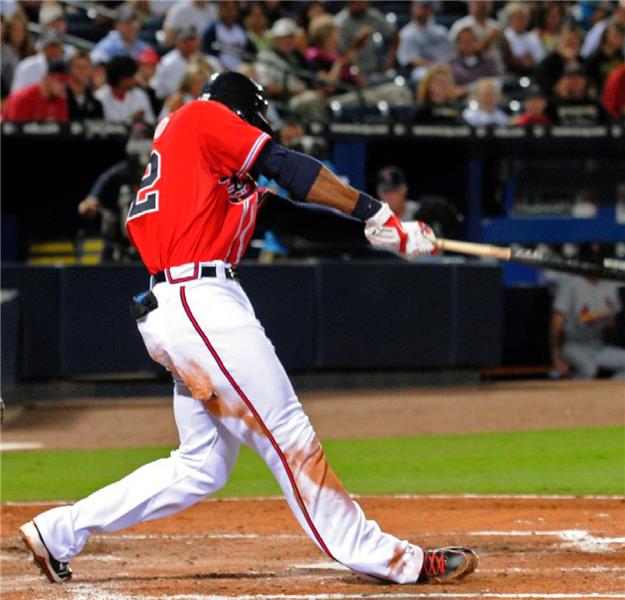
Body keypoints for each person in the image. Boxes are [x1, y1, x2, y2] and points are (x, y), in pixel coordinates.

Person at [19, 70, 477, 587]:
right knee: (288, 432)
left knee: (201, 464)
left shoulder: (204, 174)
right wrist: (376, 210)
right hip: (198, 299)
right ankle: (395, 562)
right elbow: (284, 167)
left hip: (181, 307)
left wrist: (390, 234)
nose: (260, 134)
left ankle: (57, 531)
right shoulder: (199, 117)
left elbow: (298, 218)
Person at [77, 122, 153, 261]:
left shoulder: (160, 166)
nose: (142, 141)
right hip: (127, 228)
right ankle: (124, 246)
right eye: (138, 137)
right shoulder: (126, 168)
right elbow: (105, 179)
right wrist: (92, 198)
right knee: (125, 196)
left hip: (155, 226)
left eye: (144, 137)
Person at [551, 263, 625, 379]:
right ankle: (569, 395)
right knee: (589, 369)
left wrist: (607, 324)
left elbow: (612, 327)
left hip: (598, 346)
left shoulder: (609, 285)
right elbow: (557, 322)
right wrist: (556, 355)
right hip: (573, 345)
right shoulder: (572, 284)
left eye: (598, 261)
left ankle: (607, 392)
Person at [334, 0, 399, 78]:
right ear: (350, 3)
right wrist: (358, 42)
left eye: (364, 2)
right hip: (350, 73)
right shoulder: (339, 22)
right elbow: (340, 56)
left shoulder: (372, 15)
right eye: (358, 3)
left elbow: (394, 35)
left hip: (373, 69)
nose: (362, 5)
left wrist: (390, 63)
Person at [397, 0, 452, 84]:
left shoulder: (441, 31)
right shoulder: (407, 33)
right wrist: (434, 65)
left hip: (444, 67)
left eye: (427, 7)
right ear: (413, 7)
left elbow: (451, 53)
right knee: (422, 75)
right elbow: (411, 61)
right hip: (422, 69)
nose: (424, 11)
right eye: (421, 7)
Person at [2, 58, 68, 122]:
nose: (64, 86)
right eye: (60, 80)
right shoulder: (22, 98)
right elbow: (13, 130)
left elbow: (62, 129)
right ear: (47, 78)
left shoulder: (61, 100)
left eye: (66, 81)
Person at [95, 55, 155, 124]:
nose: (134, 80)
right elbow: (103, 128)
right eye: (131, 77)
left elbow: (151, 122)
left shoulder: (140, 95)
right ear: (121, 79)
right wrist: (131, 120)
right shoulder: (100, 97)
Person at [547, 64, 611, 125]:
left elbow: (612, 127)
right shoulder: (552, 106)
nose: (575, 82)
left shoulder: (596, 105)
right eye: (570, 78)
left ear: (585, 81)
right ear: (562, 82)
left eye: (578, 78)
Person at [202, 0, 256, 71]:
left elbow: (252, 51)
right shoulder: (212, 29)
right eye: (226, 8)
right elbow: (206, 53)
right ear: (220, 10)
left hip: (241, 70)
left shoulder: (240, 29)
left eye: (233, 9)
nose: (230, 12)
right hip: (219, 70)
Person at [151, 25, 202, 100]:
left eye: (192, 40)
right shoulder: (167, 63)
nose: (190, 44)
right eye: (185, 41)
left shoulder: (208, 60)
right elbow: (158, 91)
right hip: (173, 103)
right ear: (177, 42)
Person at [535, 23, 584, 95]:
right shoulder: (546, 64)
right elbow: (553, 89)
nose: (571, 45)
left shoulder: (582, 62)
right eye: (568, 41)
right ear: (559, 41)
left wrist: (572, 61)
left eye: (575, 41)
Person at [503, 2, 545, 74]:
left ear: (527, 19)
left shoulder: (533, 37)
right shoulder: (505, 37)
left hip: (533, 72)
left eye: (522, 17)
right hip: (512, 73)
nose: (519, 21)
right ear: (509, 19)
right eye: (515, 17)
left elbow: (541, 59)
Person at [584, 22, 624, 95]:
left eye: (621, 36)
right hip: (600, 94)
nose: (620, 38)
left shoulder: (620, 56)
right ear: (605, 36)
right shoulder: (594, 58)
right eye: (616, 35)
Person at [65, 50, 103, 120]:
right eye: (77, 67)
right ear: (69, 69)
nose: (82, 70)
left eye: (86, 67)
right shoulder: (61, 97)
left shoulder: (96, 102)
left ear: (91, 70)